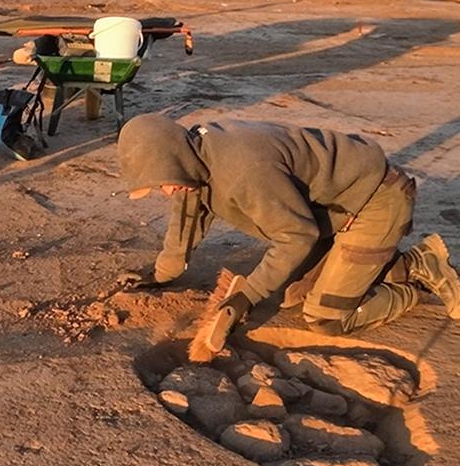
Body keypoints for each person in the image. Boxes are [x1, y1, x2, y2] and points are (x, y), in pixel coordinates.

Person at [117, 113, 460, 338]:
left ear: (174, 157)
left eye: (163, 181)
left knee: (324, 317)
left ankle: (416, 276)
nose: (166, 191)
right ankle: (388, 265)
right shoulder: (195, 157)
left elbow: (297, 236)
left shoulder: (243, 171)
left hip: (375, 200)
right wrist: (161, 274)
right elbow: (188, 217)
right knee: (293, 295)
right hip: (334, 209)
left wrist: (248, 296)